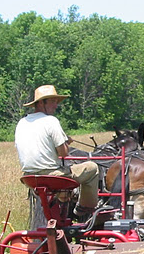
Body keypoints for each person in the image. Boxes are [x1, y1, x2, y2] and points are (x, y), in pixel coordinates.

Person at [15, 85, 99, 219]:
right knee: (93, 168)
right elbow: (64, 153)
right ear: (42, 103)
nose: (56, 105)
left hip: (29, 177)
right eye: (53, 101)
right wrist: (66, 143)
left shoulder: (21, 122)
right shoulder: (51, 121)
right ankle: (86, 209)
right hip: (51, 175)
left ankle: (60, 203)